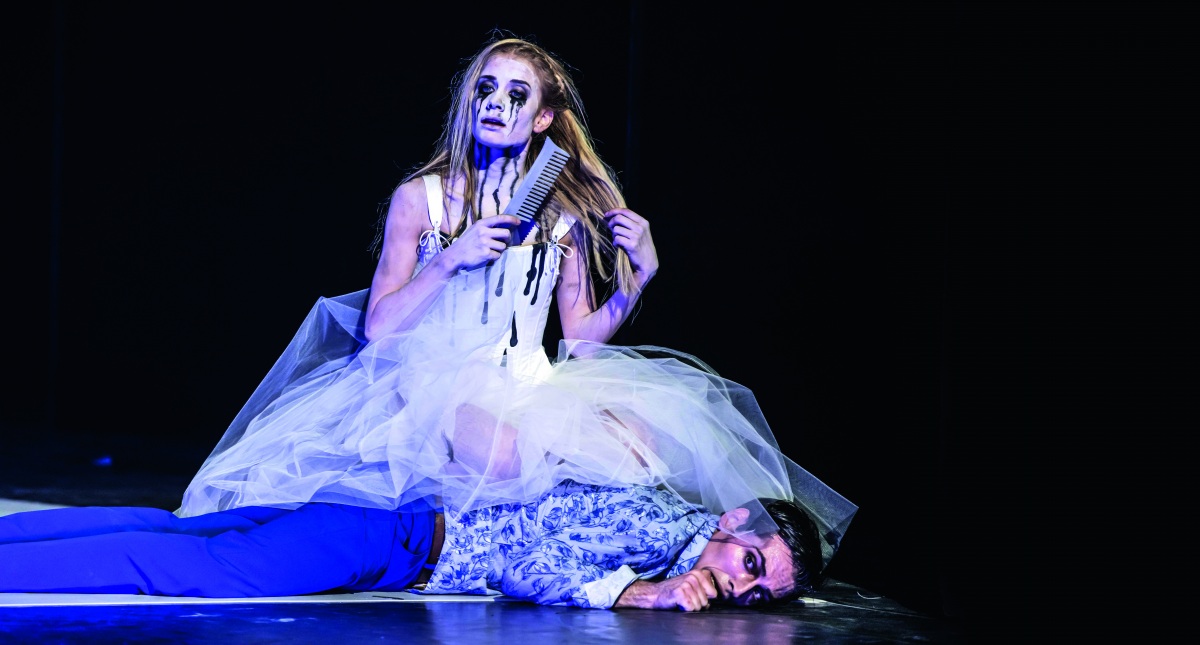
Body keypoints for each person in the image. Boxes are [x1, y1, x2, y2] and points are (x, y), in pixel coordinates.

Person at [0, 34, 856, 611]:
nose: (496, 103)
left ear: (545, 117)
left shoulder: (559, 217)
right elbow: (379, 328)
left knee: (213, 543)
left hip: (517, 406)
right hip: (420, 400)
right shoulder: (426, 199)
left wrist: (636, 284)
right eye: (486, 87)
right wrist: (452, 260)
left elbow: (578, 344)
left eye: (516, 94)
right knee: (212, 547)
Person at [0, 480, 821, 611]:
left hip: (389, 509)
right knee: (183, 568)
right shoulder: (655, 528)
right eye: (750, 563)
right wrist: (632, 591)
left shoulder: (673, 531)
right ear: (732, 520)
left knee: (177, 532)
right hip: (391, 535)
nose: (740, 588)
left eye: (760, 593)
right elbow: (516, 561)